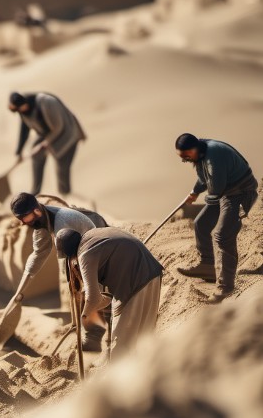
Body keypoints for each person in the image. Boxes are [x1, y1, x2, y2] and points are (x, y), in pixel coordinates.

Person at [8, 192, 108, 351]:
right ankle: (93, 333)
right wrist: (19, 293)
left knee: (91, 290)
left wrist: (75, 286)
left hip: (98, 241)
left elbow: (68, 265)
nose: (22, 223)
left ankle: (101, 337)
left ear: (36, 211)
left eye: (24, 218)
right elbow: (37, 255)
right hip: (82, 249)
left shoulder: (62, 222)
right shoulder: (41, 222)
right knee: (81, 287)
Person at [55, 227, 163, 359]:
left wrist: (83, 318)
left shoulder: (84, 256)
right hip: (153, 273)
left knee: (120, 348)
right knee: (144, 338)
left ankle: (121, 378)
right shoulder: (92, 236)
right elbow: (101, 297)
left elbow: (93, 299)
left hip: (133, 284)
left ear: (70, 255)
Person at [174, 134, 258, 301]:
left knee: (222, 235)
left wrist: (206, 198)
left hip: (241, 194)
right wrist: (195, 192)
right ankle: (208, 266)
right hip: (226, 193)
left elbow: (216, 189)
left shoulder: (214, 158)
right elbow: (204, 177)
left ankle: (225, 288)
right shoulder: (201, 152)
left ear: (193, 149)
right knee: (201, 223)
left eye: (185, 156)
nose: (184, 160)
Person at [8, 91, 86, 196]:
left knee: (62, 165)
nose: (21, 112)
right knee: (36, 155)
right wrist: (19, 152)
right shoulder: (22, 111)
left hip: (67, 134)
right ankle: (35, 192)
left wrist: (45, 143)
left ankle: (65, 194)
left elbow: (59, 126)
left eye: (21, 108)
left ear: (25, 102)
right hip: (46, 134)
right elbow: (24, 131)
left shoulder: (47, 103)